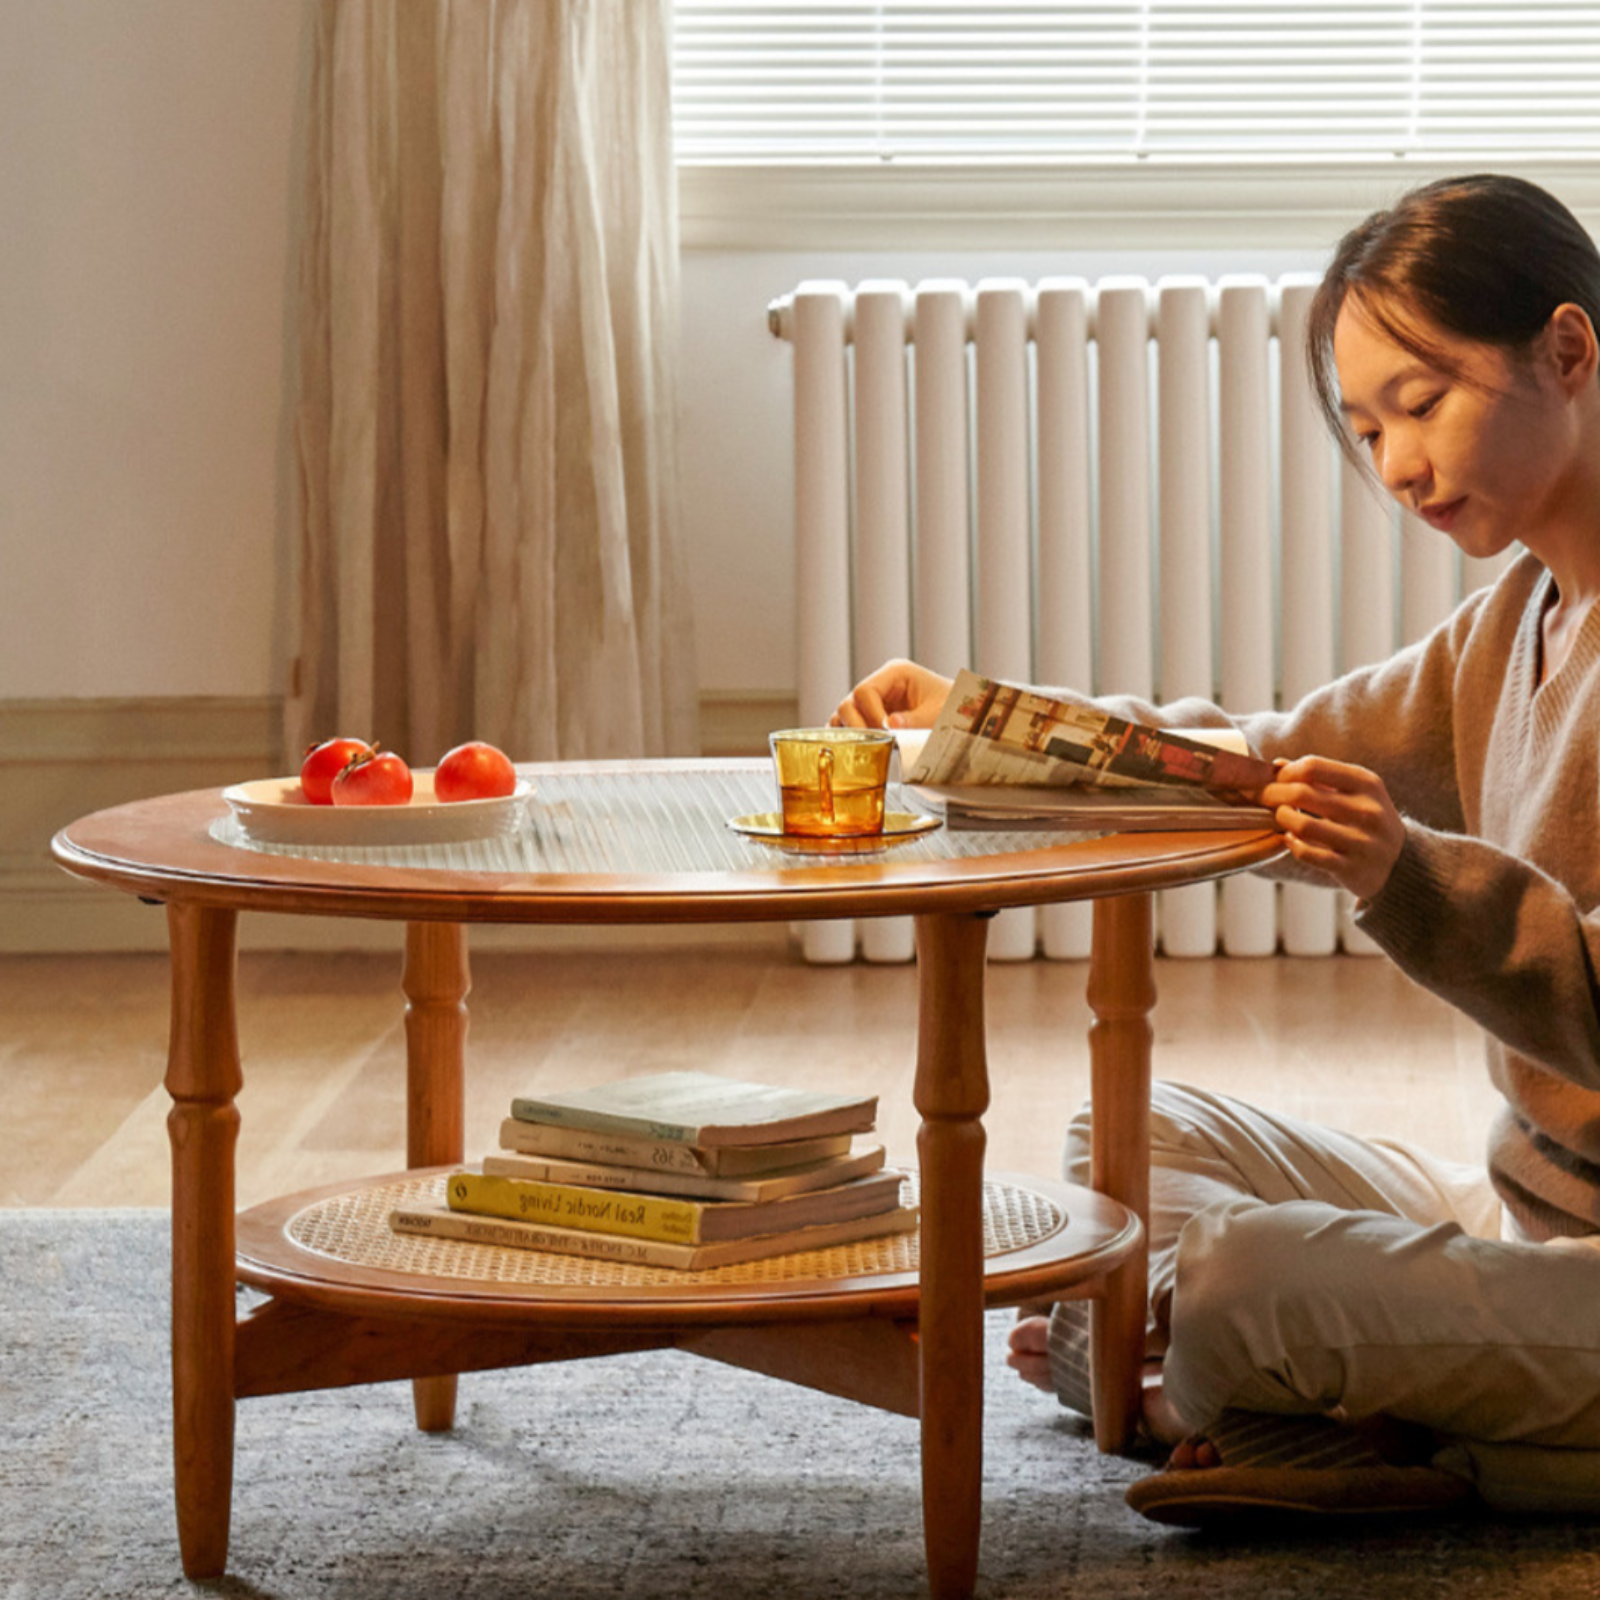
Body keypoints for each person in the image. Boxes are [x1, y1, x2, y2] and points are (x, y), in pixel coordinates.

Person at [833, 174, 1600, 1527]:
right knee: (1134, 1136)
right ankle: (1339, 1407)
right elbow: (1254, 758)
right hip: (1536, 1229)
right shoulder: (1513, 626)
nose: (1399, 468)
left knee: (1237, 1281)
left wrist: (1403, 879)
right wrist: (984, 725)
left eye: (1422, 405)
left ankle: (1352, 1413)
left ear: (1570, 351)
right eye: (1367, 429)